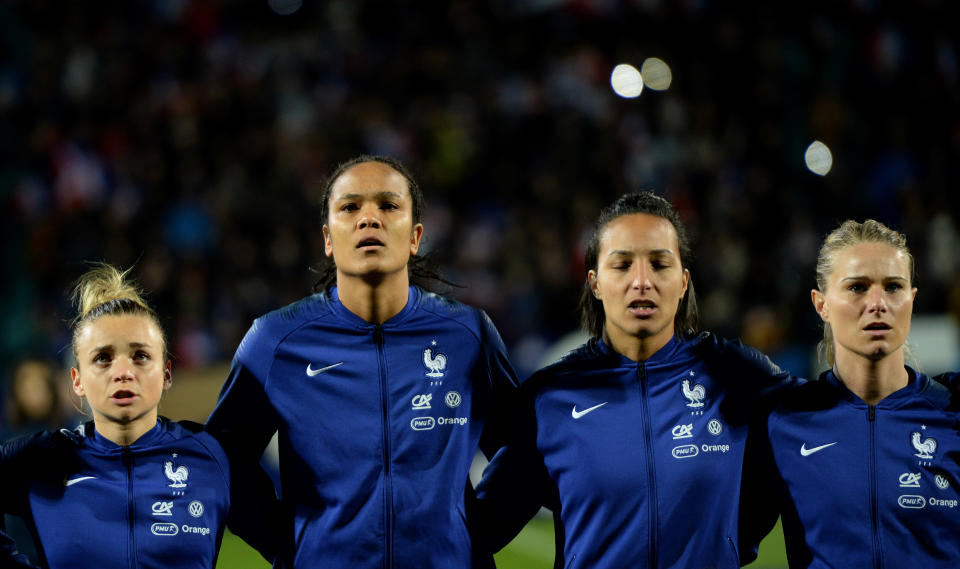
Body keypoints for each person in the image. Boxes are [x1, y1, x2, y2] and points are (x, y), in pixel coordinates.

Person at [205, 155, 520, 569]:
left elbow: (522, 451)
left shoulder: (467, 334)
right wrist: (287, 544)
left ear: (415, 236)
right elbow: (223, 460)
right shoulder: (275, 341)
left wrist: (472, 537)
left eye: (388, 206)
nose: (369, 218)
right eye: (350, 207)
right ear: (328, 239)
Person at [475, 192, 802, 568]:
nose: (642, 281)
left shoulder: (740, 377)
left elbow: (830, 435)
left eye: (660, 264)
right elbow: (479, 529)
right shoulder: (551, 398)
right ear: (595, 284)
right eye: (622, 265)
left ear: (683, 282)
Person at [0, 264, 236, 568]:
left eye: (140, 356)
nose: (123, 372)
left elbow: (290, 537)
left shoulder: (213, 456)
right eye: (103, 358)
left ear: (166, 373)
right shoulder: (40, 459)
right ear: (77, 380)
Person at [758, 219, 960, 567]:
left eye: (894, 287)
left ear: (912, 299)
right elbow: (718, 538)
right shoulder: (784, 423)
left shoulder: (952, 412)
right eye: (857, 288)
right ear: (821, 304)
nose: (878, 303)